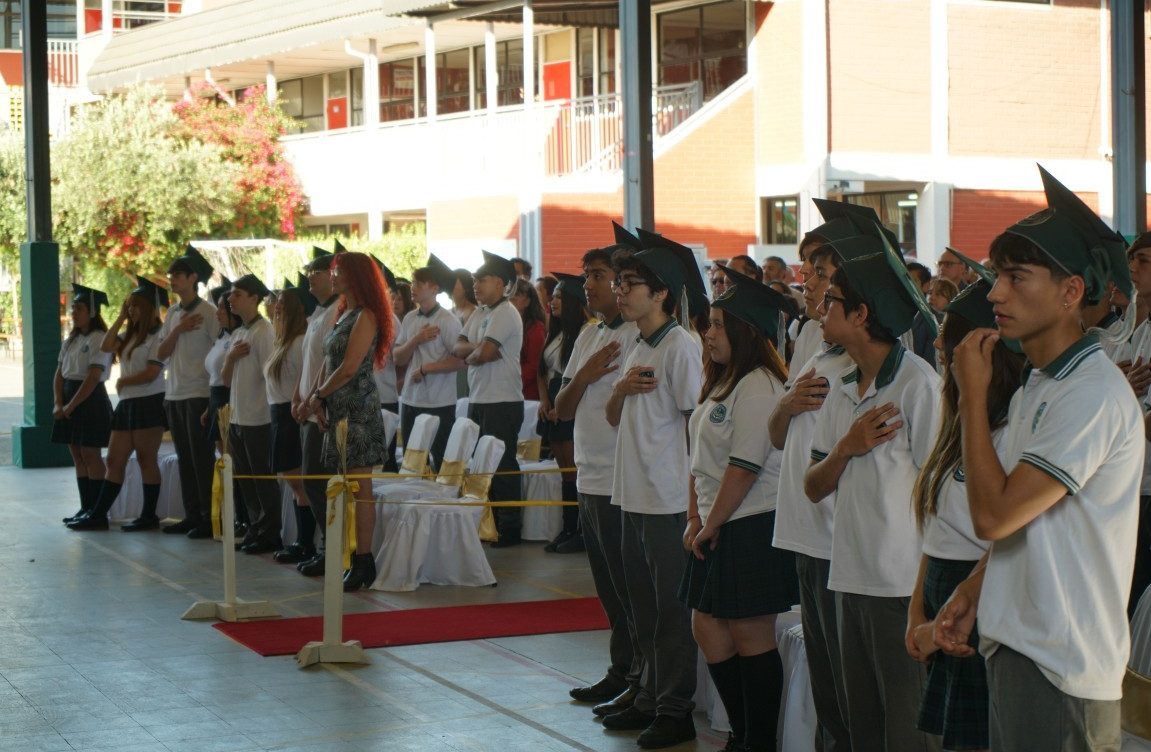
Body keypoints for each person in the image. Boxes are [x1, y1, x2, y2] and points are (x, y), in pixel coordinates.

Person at [937, 167, 1143, 752]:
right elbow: (1029, 520)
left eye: (1015, 277)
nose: (995, 294)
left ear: (1071, 292)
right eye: (997, 276)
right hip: (1026, 645)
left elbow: (995, 516)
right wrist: (977, 586)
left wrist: (973, 396)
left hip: (1062, 662)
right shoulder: (1040, 382)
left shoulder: (1090, 393)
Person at [805, 226, 942, 752]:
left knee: (906, 726)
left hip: (899, 584)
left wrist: (929, 595)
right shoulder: (842, 385)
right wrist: (847, 447)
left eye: (834, 299)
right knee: (862, 720)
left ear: (862, 315)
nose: (822, 306)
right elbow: (814, 486)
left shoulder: (918, 385)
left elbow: (937, 496)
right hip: (848, 575)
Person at [682, 265, 799, 752]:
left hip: (750, 522)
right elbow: (697, 462)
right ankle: (745, 732)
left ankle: (756, 741)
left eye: (716, 326)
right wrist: (694, 519)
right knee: (707, 627)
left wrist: (709, 523)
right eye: (708, 324)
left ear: (745, 332)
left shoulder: (761, 385)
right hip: (715, 522)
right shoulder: (722, 380)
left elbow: (745, 466)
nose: (708, 334)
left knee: (751, 635)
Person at [904, 274, 1023, 752]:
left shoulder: (1009, 429)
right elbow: (937, 531)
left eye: (948, 337)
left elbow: (1004, 536)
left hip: (978, 605)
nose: (936, 343)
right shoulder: (959, 422)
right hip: (942, 599)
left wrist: (943, 618)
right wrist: (917, 613)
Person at [604, 239, 704, 750]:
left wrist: (693, 505)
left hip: (667, 499)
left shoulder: (681, 346)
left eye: (629, 285)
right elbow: (612, 416)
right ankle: (645, 693)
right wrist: (619, 390)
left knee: (670, 612)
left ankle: (675, 707)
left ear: (661, 293)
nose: (619, 293)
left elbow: (696, 429)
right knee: (640, 603)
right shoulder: (633, 342)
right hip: (632, 493)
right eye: (618, 284)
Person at [768, 238, 853, 752]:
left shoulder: (868, 360)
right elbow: (777, 433)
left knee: (846, 674)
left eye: (821, 273)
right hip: (802, 524)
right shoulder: (811, 343)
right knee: (822, 666)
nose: (811, 283)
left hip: (835, 531)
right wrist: (790, 404)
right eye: (809, 271)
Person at [555, 243, 644, 713]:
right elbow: (562, 409)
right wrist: (586, 375)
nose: (587, 284)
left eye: (598, 275)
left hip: (621, 476)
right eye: (586, 275)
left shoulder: (636, 336)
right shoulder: (590, 335)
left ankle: (638, 677)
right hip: (589, 474)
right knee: (607, 585)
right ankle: (621, 669)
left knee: (631, 586)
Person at [303, 251, 394, 591]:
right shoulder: (345, 314)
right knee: (343, 487)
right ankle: (347, 556)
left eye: (339, 272)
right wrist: (317, 396)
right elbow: (328, 362)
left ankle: (363, 561)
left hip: (357, 410)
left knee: (360, 490)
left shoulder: (366, 315)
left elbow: (351, 366)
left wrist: (319, 396)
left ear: (356, 277)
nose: (334, 276)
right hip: (338, 408)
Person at [70, 279, 169, 531]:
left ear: (148, 308)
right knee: (114, 460)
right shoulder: (129, 335)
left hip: (149, 402)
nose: (132, 310)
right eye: (129, 306)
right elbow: (105, 345)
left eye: (136, 306)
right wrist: (121, 317)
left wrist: (125, 379)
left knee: (147, 460)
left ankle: (149, 516)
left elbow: (152, 372)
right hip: (127, 405)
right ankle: (98, 515)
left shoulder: (159, 335)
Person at [452, 251, 525, 547]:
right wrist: (476, 351)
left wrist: (475, 351)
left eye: (481, 280)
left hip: (503, 399)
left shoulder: (506, 312)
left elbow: (486, 353)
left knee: (503, 464)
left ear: (500, 283)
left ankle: (509, 528)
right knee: (482, 463)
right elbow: (458, 347)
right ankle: (489, 524)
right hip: (479, 397)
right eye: (473, 280)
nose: (476, 286)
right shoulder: (481, 313)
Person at [157, 245, 220, 538]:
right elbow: (160, 352)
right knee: (184, 458)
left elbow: (221, 347)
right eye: (171, 275)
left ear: (193, 277)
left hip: (198, 394)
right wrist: (177, 329)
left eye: (179, 275)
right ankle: (192, 514)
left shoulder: (208, 312)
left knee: (201, 459)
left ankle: (209, 518)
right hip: (174, 394)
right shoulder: (172, 313)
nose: (173, 280)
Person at [223, 274, 282, 554]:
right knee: (245, 478)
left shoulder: (263, 332)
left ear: (253, 298)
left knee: (262, 478)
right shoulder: (238, 333)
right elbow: (225, 380)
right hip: (237, 417)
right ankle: (254, 527)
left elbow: (269, 375)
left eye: (237, 294)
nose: (230, 299)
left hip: (258, 417)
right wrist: (231, 357)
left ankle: (270, 531)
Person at [293, 246, 342, 578]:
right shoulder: (317, 313)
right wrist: (298, 395)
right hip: (308, 405)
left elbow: (331, 364)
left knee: (318, 481)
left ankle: (332, 550)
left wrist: (315, 399)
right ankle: (325, 546)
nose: (309, 276)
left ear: (333, 277)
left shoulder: (340, 310)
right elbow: (308, 363)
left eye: (317, 271)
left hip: (322, 408)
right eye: (308, 271)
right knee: (311, 480)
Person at [391, 254, 463, 470]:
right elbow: (398, 358)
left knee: (441, 462)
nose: (413, 287)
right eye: (413, 282)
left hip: (440, 402)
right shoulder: (410, 318)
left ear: (434, 288)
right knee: (412, 464)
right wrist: (416, 339)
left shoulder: (448, 320)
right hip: (411, 400)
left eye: (419, 283)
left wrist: (428, 368)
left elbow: (461, 361)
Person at [539, 272, 592, 553]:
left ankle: (581, 530)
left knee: (575, 470)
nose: (552, 301)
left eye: (559, 297)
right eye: (552, 296)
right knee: (565, 474)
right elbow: (543, 372)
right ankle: (568, 526)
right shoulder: (555, 332)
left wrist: (560, 404)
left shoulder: (584, 331)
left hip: (568, 401)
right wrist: (545, 402)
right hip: (553, 398)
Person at [54, 284, 114, 524]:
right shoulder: (71, 340)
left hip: (89, 400)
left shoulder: (100, 338)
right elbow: (59, 374)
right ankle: (85, 507)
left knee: (91, 455)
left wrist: (71, 406)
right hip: (69, 397)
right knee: (77, 454)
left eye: (78, 308)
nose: (73, 313)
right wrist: (59, 403)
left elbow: (91, 378)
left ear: (91, 312)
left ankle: (97, 513)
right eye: (72, 308)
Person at [268, 277, 315, 565]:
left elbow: (305, 378)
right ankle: (301, 540)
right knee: (292, 481)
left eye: (282, 305)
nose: (276, 308)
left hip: (290, 412)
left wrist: (300, 406)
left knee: (300, 483)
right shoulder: (282, 340)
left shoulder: (299, 341)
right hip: (277, 412)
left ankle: (305, 542)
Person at [200, 277, 248, 537]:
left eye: (221, 308)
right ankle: (236, 515)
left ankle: (243, 517)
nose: (217, 312)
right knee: (227, 463)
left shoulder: (236, 338)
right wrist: (209, 407)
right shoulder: (222, 338)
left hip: (230, 397)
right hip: (217, 399)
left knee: (235, 463)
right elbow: (214, 376)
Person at [372, 259, 403, 472]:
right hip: (361, 399)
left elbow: (401, 363)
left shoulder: (391, 321)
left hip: (384, 396)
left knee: (385, 461)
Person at [511, 278, 547, 400]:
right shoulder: (509, 324)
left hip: (527, 393)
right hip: (511, 388)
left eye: (517, 294)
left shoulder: (536, 328)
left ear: (528, 301)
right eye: (510, 294)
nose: (512, 298)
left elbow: (534, 365)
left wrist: (512, 382)